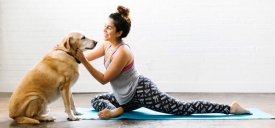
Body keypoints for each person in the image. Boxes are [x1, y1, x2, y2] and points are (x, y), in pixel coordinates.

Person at [74, 5, 252, 118]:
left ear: (119, 33)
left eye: (109, 27)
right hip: (123, 98)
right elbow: (83, 57)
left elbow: (104, 78)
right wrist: (64, 51)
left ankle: (230, 108)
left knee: (181, 108)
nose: (104, 30)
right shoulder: (105, 45)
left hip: (141, 91)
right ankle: (117, 110)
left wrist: (82, 59)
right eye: (105, 25)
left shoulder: (123, 51)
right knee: (97, 100)